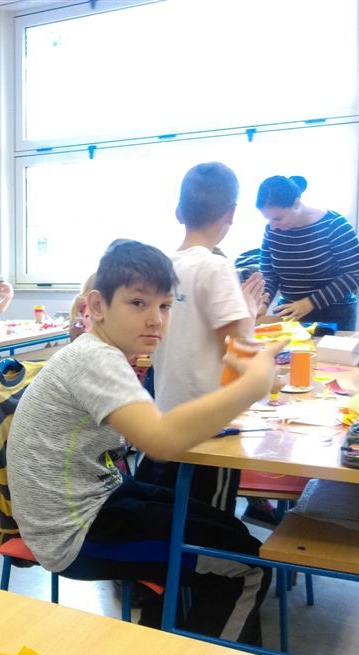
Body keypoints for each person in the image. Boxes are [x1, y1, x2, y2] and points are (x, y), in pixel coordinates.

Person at [6, 239, 281, 645]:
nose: (155, 319)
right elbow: (161, 441)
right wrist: (253, 384)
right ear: (98, 306)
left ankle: (163, 640)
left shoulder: (105, 352)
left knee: (232, 531)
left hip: (97, 498)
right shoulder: (95, 359)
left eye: (165, 306)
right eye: (138, 303)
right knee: (247, 566)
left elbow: (160, 431)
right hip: (72, 533)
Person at [135, 162, 266, 515]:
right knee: (210, 521)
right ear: (231, 214)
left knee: (175, 513)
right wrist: (249, 313)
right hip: (212, 425)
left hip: (168, 415)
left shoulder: (161, 266)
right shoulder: (215, 266)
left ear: (179, 212)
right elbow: (240, 355)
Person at [256, 175, 359, 331]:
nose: (273, 226)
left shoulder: (334, 225)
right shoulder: (272, 231)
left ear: (296, 204)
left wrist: (310, 303)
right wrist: (263, 302)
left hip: (334, 311)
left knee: (330, 349)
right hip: (290, 310)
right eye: (268, 219)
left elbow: (357, 274)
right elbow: (269, 275)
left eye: (278, 219)